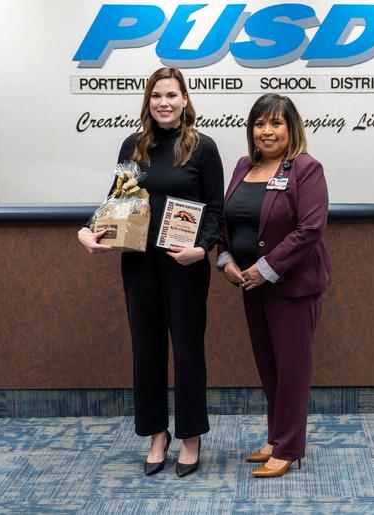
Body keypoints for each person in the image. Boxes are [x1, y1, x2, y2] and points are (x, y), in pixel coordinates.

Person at [78, 67, 224, 478]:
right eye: (156, 95)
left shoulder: (203, 148)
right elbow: (115, 202)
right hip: (139, 266)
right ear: (148, 101)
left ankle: (191, 436)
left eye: (171, 95)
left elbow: (215, 209)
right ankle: (157, 434)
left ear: (184, 100)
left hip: (185, 267)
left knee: (189, 353)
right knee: (146, 353)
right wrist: (91, 231)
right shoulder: (134, 144)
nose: (164, 102)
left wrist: (202, 248)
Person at [218, 93, 330, 478]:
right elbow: (227, 219)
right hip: (250, 284)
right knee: (269, 366)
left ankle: (288, 448)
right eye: (259, 124)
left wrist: (265, 268)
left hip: (292, 286)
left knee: (292, 368)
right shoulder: (242, 167)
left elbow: (310, 228)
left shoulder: (305, 168)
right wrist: (226, 259)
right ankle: (275, 437)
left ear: (291, 128)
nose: (266, 131)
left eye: (275, 124)